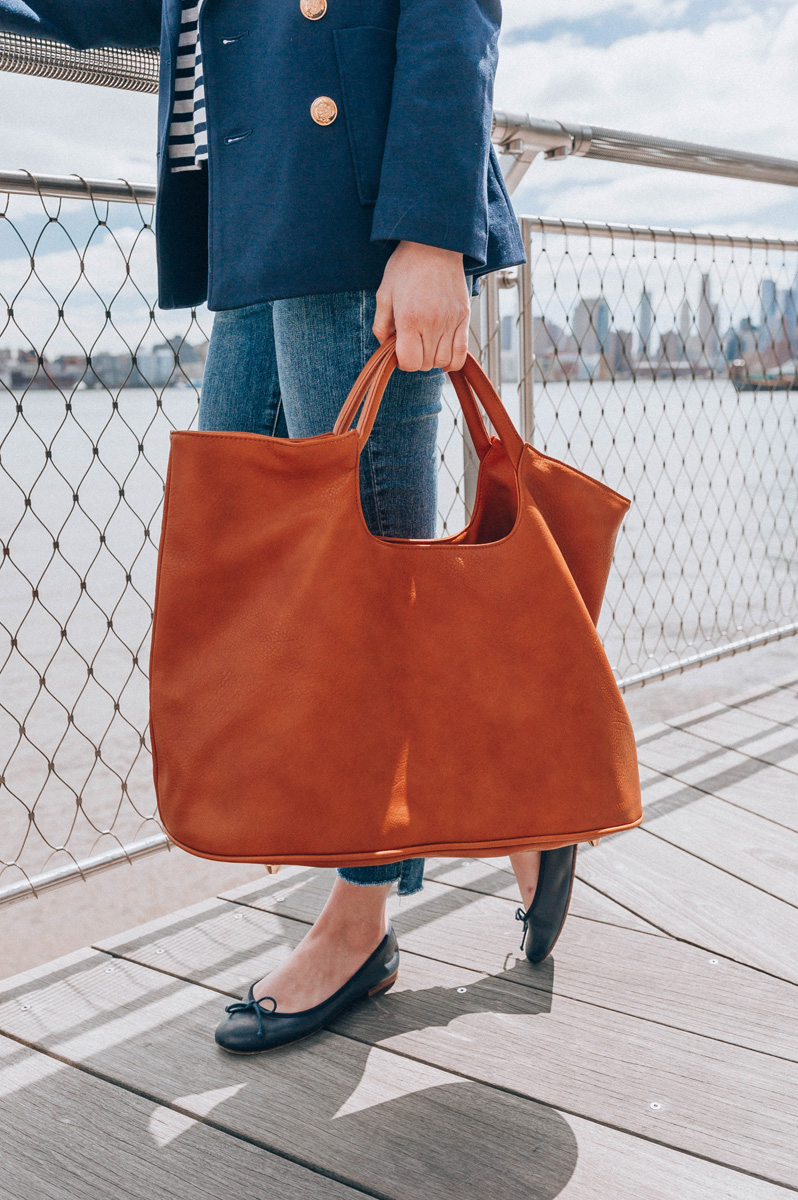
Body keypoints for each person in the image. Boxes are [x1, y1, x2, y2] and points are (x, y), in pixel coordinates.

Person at [0, 0, 579, 1053]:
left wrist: (433, 228)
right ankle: (518, 781)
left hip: (359, 215)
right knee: (261, 577)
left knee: (363, 594)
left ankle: (361, 917)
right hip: (258, 219)